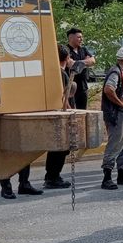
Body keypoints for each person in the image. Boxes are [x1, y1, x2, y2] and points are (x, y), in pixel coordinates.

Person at [41, 44, 79, 190]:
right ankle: (53, 176)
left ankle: (51, 175)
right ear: (68, 58)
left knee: (58, 148)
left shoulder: (54, 72)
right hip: (62, 116)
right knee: (61, 148)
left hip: (56, 114)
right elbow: (63, 98)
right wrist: (70, 114)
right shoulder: (61, 74)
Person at [100, 46, 123, 190]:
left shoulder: (121, 72)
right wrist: (121, 103)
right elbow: (109, 89)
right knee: (115, 146)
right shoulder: (116, 72)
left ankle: (122, 175)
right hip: (119, 116)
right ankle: (107, 178)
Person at [66, 28, 96, 110]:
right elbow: (70, 64)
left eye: (81, 37)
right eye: (79, 37)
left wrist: (78, 63)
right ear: (71, 38)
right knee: (71, 109)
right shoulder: (66, 50)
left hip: (83, 86)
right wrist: (86, 62)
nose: (81, 39)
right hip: (71, 87)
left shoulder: (83, 49)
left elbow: (93, 61)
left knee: (83, 110)